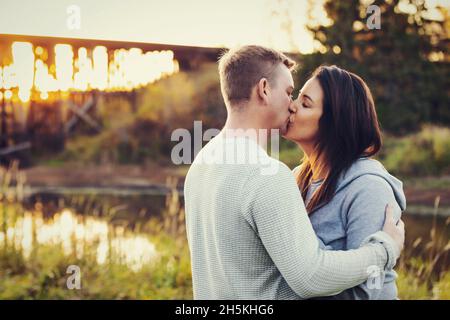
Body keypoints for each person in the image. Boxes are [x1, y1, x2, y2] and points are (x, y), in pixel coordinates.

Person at [183, 45, 405, 299]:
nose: (292, 106)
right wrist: (385, 250)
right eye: (290, 93)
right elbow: (311, 277)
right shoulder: (272, 177)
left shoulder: (201, 163)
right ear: (264, 89)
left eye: (303, 101)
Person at [284, 65, 405, 299]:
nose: (292, 106)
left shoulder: (368, 188)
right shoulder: (295, 177)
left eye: (306, 104)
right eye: (297, 98)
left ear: (334, 123)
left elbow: (368, 290)